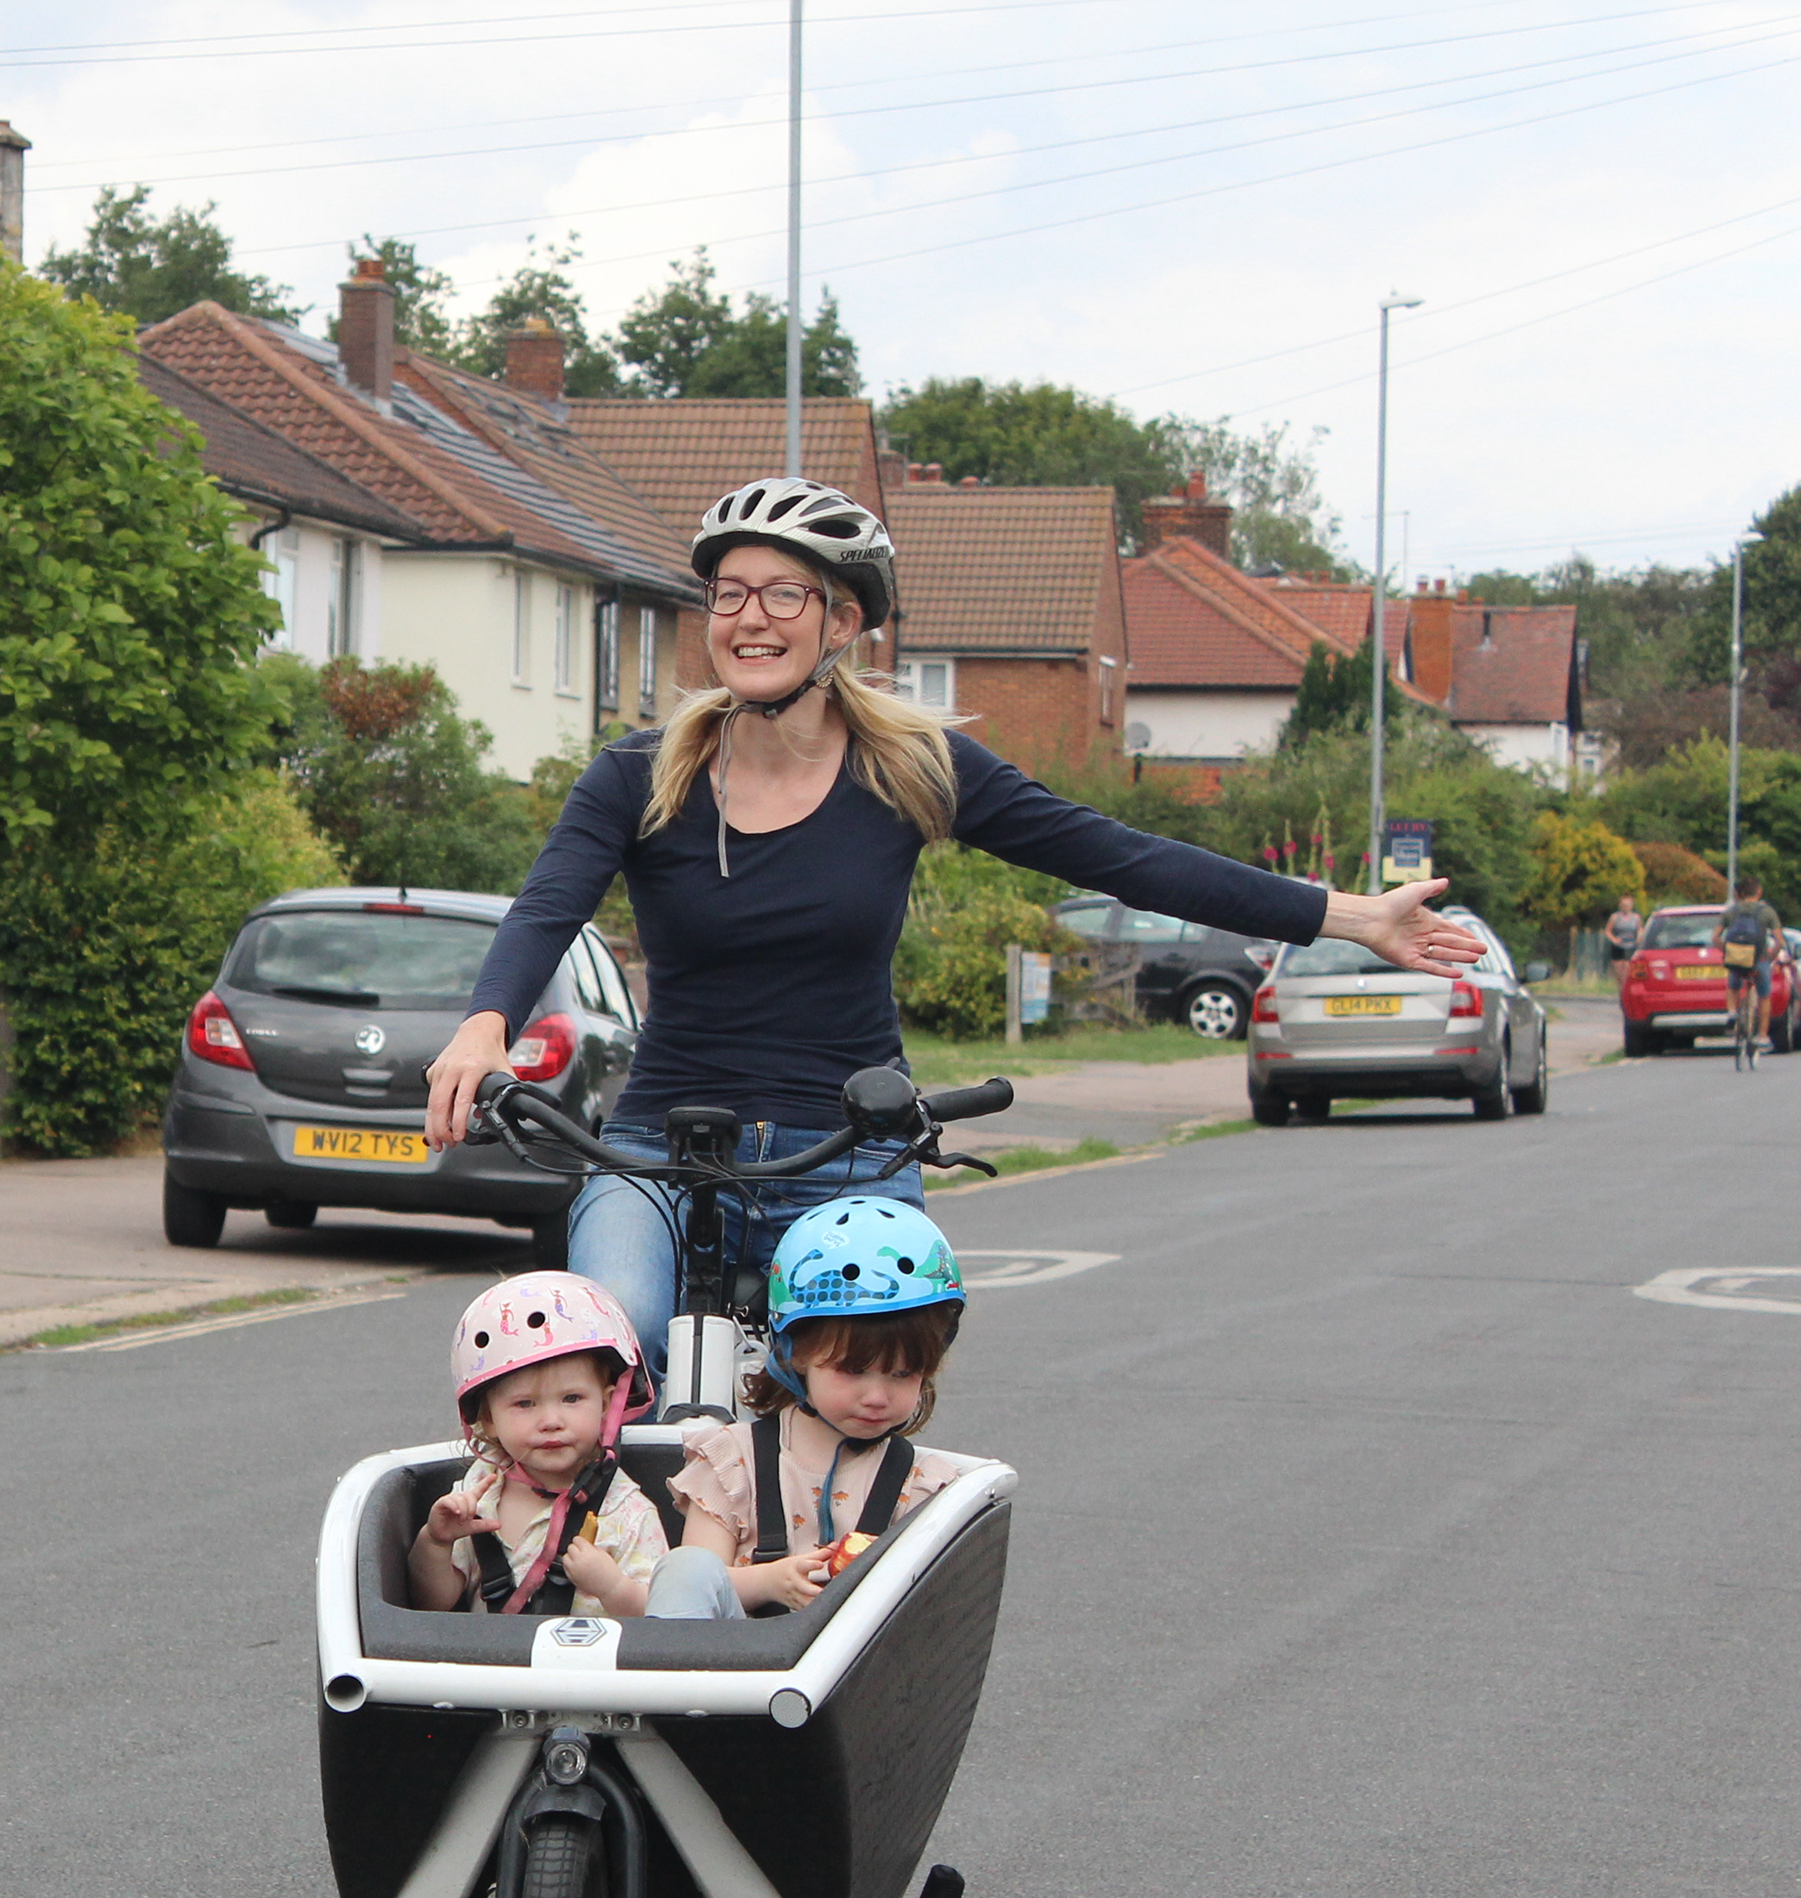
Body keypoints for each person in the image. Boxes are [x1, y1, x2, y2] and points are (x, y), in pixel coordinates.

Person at [423, 476, 1481, 1347]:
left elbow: (1120, 857)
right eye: (728, 594)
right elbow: (545, 907)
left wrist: (1347, 915)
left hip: (840, 1150)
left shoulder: (909, 769)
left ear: (841, 619)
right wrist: (485, 1023)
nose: (750, 618)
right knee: (606, 1341)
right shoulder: (637, 775)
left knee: (865, 1358)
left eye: (783, 594)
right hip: (657, 1149)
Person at [646, 1198, 991, 1618]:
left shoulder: (919, 1486)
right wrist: (769, 1581)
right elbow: (694, 1581)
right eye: (853, 1370)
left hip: (861, 1673)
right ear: (797, 1354)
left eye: (903, 1374)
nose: (877, 1396)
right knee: (685, 1565)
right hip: (730, 1671)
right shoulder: (733, 1462)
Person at [408, 1272, 676, 1618]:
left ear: (607, 1405)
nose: (551, 1420)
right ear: (487, 1419)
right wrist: (435, 1541)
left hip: (593, 1670)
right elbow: (432, 1603)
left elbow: (660, 1622)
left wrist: (613, 1588)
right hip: (488, 1668)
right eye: (525, 1404)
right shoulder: (478, 1495)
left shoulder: (627, 1513)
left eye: (571, 1398)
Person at [1720, 879, 1775, 1053]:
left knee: (1733, 984)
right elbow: (1779, 940)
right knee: (1764, 995)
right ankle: (1763, 1036)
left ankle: (1731, 1012)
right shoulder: (1766, 912)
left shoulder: (1731, 911)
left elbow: (1715, 936)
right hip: (1759, 960)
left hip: (1737, 960)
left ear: (1739, 894)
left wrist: (1727, 951)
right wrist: (1770, 956)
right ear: (1758, 892)